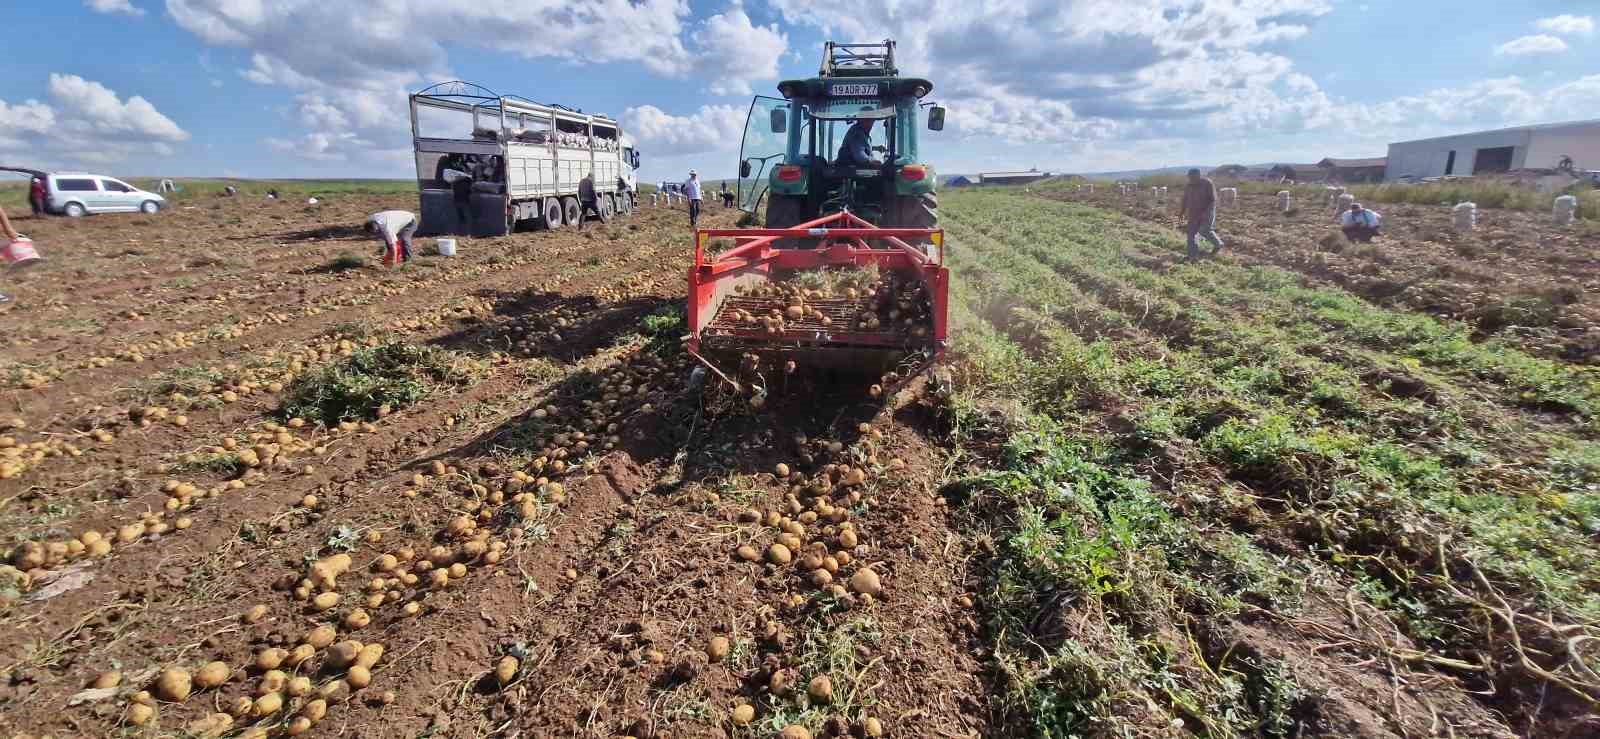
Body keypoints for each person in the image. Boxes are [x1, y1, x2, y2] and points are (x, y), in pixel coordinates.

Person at [1177, 168, 1224, 259]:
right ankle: (1192, 255)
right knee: (1191, 234)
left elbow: (1213, 200)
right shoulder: (1188, 186)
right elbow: (1185, 199)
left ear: (1199, 176)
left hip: (1207, 211)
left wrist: (1206, 213)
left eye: (1193, 177)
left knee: (1204, 230)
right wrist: (1182, 212)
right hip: (1193, 213)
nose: (1191, 179)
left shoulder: (1207, 183)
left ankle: (1218, 244)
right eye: (1189, 177)